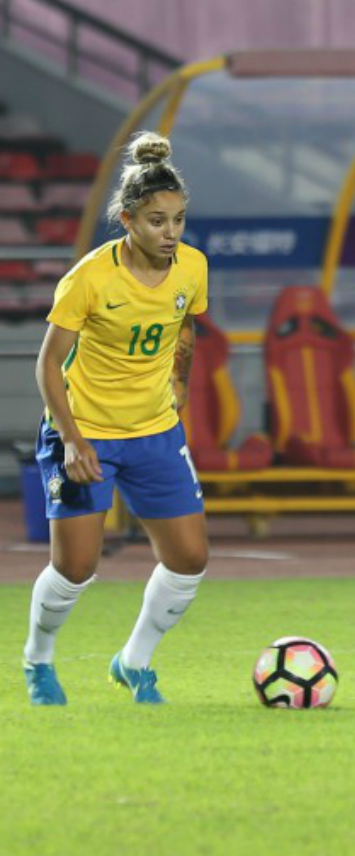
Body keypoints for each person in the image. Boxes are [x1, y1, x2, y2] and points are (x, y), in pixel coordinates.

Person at [23, 131, 209, 705]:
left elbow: (184, 327)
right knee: (76, 567)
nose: (171, 232)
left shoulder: (192, 268)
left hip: (154, 431)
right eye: (157, 221)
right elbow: (48, 365)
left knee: (189, 559)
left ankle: (134, 662)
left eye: (178, 219)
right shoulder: (90, 278)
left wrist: (177, 384)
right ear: (128, 220)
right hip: (87, 433)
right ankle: (39, 659)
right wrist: (73, 440)